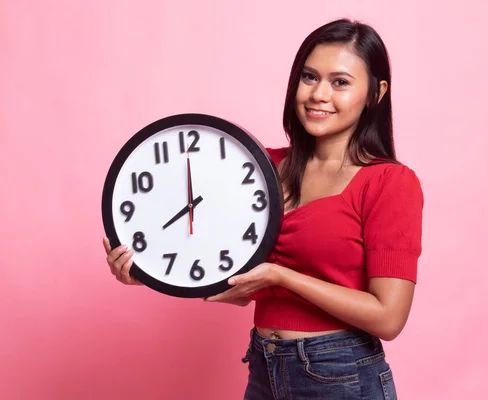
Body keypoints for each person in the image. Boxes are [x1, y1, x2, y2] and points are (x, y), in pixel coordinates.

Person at [103, 18, 423, 400]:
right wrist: (152, 271)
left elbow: (388, 317)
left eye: (340, 82)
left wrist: (282, 277)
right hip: (264, 364)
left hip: (340, 373)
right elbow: (222, 269)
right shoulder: (258, 168)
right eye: (309, 77)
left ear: (376, 92)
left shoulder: (389, 183)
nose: (319, 94)